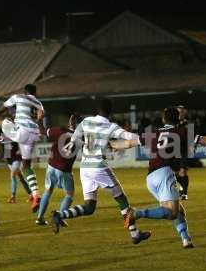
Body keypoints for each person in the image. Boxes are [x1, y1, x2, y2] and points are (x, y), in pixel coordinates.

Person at [115, 107, 206, 249]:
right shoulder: (182, 131)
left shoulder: (153, 133)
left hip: (150, 177)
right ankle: (136, 213)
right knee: (171, 212)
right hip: (164, 174)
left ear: (164, 119)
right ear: (178, 119)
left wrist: (110, 145)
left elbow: (128, 143)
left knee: (178, 210)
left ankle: (186, 239)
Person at [51, 99, 151, 245]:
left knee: (89, 207)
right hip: (98, 167)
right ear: (110, 111)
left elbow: (72, 143)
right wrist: (145, 139)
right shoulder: (110, 126)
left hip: (84, 167)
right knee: (121, 199)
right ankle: (135, 234)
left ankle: (60, 215)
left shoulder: (86, 122)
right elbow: (129, 137)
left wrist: (74, 130)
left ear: (97, 110)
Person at [0, 84, 44, 212]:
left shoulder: (18, 96)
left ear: (25, 92)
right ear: (35, 93)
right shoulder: (38, 102)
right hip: (33, 133)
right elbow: (41, 116)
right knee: (26, 166)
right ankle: (35, 195)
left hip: (22, 131)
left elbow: (4, 107)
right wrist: (39, 126)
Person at [35, 114, 82, 225]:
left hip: (51, 166)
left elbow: (42, 131)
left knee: (48, 190)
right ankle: (59, 218)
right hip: (65, 169)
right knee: (69, 195)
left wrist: (39, 119)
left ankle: (40, 217)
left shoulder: (60, 130)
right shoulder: (81, 138)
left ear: (71, 121)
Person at [0, 134, 32, 204]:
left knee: (12, 175)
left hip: (16, 159)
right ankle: (31, 195)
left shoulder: (13, 134)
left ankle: (13, 197)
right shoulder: (0, 136)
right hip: (9, 161)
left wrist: (20, 150)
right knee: (21, 178)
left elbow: (21, 141)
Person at [176, 105, 190, 200]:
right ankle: (181, 189)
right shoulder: (172, 123)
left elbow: (191, 137)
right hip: (173, 151)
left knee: (182, 172)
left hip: (184, 151)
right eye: (178, 112)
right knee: (176, 173)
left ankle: (184, 193)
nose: (180, 114)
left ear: (184, 113)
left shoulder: (188, 124)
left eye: (181, 112)